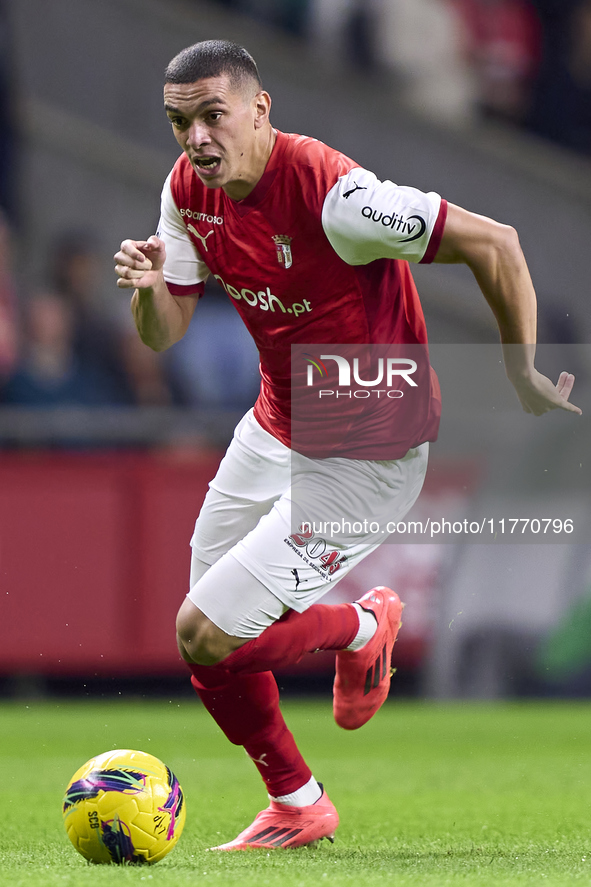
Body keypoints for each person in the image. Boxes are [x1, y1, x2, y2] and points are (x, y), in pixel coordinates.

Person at [114, 40, 581, 851]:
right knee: (211, 648)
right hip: (275, 422)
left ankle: (360, 629)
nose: (194, 138)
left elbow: (495, 242)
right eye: (178, 122)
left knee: (206, 632)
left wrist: (522, 371)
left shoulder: (339, 197)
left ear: (260, 109)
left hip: (368, 447)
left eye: (211, 115)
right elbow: (165, 333)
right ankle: (297, 801)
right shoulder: (188, 190)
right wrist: (149, 293)